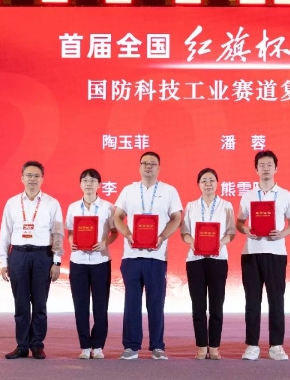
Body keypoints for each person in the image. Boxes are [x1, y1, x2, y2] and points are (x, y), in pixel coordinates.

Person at [113, 151, 183, 360]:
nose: (148, 166)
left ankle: (157, 346)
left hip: (157, 256)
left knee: (156, 302)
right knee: (132, 303)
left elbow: (177, 217)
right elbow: (117, 216)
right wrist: (127, 234)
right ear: (139, 166)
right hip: (132, 256)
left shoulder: (169, 191)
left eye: (153, 163)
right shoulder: (128, 190)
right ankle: (131, 346)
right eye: (145, 163)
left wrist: (162, 237)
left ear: (159, 168)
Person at [0, 161, 64, 360]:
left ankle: (37, 345)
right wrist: (4, 261)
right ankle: (22, 346)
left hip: (42, 256)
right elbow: (5, 233)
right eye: (29, 175)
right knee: (20, 303)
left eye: (36, 176)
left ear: (42, 179)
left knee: (40, 303)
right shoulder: (12, 203)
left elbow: (57, 234)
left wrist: (57, 261)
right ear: (22, 178)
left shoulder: (52, 203)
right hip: (18, 255)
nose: (32, 179)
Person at [236, 150, 290, 361]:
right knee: (252, 301)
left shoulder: (286, 195)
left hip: (276, 253)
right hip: (251, 253)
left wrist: (282, 233)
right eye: (262, 165)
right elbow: (239, 222)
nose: (266, 169)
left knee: (276, 300)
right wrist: (246, 230)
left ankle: (276, 345)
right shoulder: (248, 195)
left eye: (270, 165)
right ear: (256, 170)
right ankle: (252, 345)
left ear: (276, 168)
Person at [180, 168, 236, 360]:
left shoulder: (226, 205)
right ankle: (201, 346)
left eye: (211, 180)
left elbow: (231, 232)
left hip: (218, 259)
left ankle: (214, 347)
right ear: (199, 184)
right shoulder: (191, 206)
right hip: (195, 260)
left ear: (217, 183)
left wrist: (219, 243)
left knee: (216, 305)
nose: (208, 184)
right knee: (198, 305)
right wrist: (193, 242)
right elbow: (184, 232)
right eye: (204, 180)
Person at [65, 168, 118, 359]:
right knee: (80, 306)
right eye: (85, 181)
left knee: (100, 306)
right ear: (80, 184)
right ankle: (85, 346)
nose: (88, 184)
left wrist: (105, 243)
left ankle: (98, 346)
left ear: (99, 185)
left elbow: (115, 232)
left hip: (100, 260)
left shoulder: (108, 207)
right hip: (78, 261)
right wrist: (71, 241)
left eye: (92, 181)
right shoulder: (73, 207)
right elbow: (70, 232)